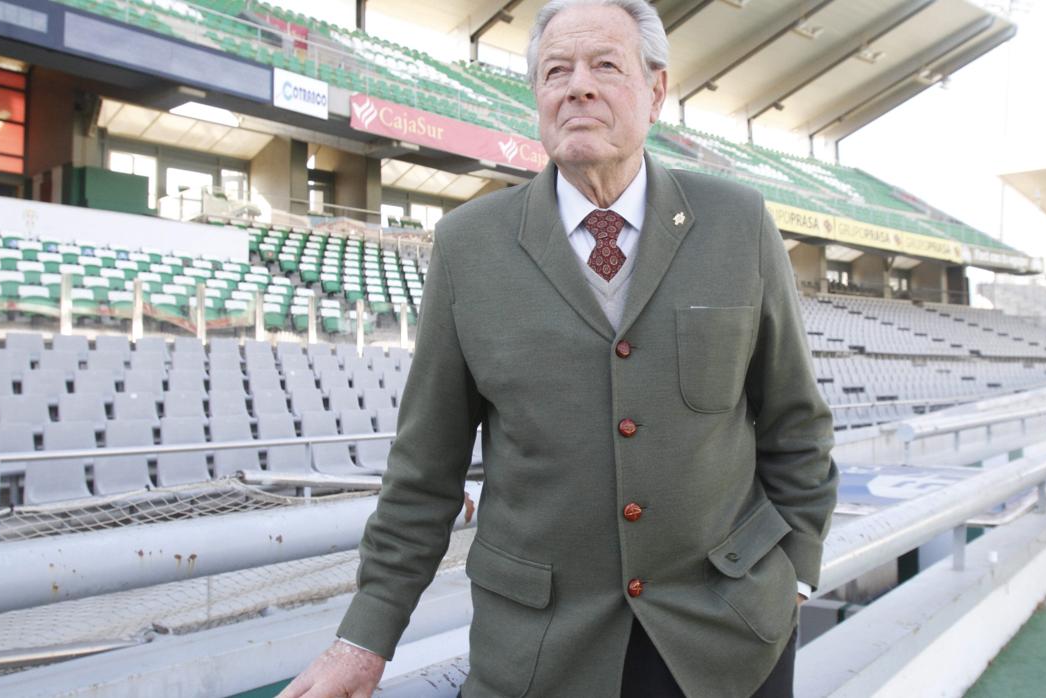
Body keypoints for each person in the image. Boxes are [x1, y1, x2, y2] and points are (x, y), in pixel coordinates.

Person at [279, 1, 838, 696]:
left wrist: (798, 573)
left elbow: (796, 425)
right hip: (541, 655)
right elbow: (425, 474)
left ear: (656, 90)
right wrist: (364, 638)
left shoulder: (738, 223)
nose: (578, 85)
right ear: (538, 95)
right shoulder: (467, 246)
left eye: (606, 65)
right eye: (556, 70)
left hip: (728, 639)